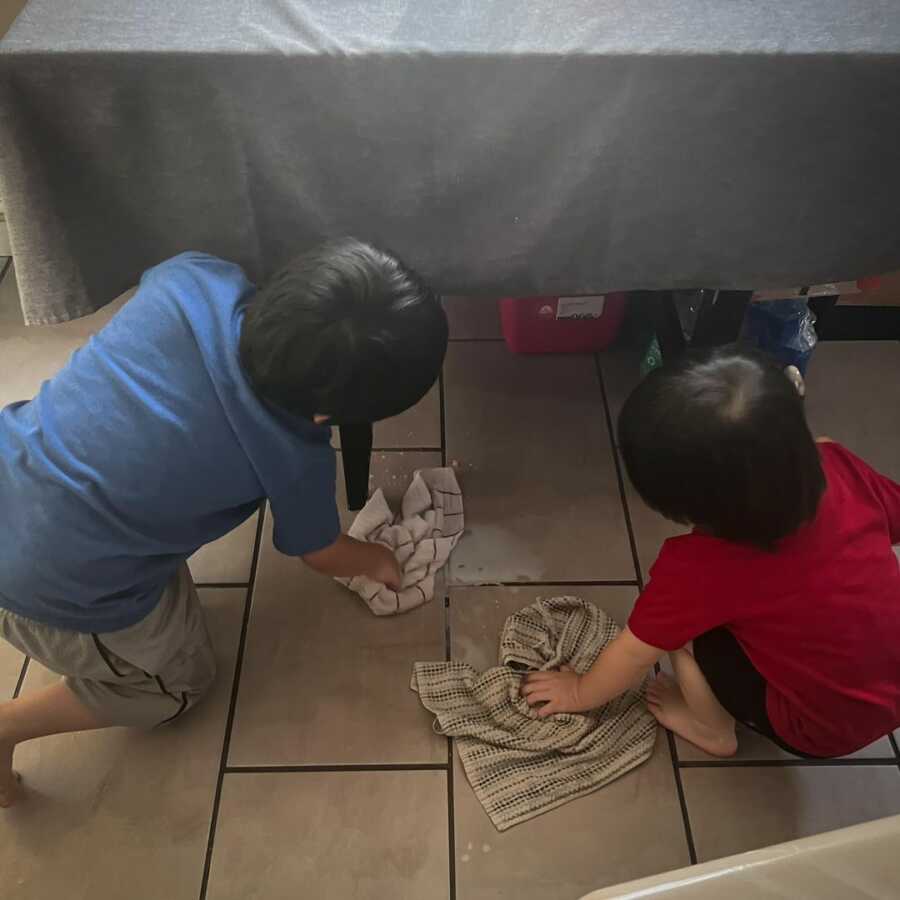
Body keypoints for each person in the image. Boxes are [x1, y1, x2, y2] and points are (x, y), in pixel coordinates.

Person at [0, 238, 448, 806]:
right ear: (324, 416)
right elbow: (320, 552)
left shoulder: (189, 280)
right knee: (174, 688)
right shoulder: (293, 455)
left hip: (12, 470)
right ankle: (9, 725)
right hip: (57, 584)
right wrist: (375, 560)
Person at [524, 346, 900, 759]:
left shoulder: (698, 570)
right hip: (888, 688)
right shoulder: (840, 465)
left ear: (675, 502)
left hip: (818, 730)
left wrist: (578, 692)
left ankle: (712, 729)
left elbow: (634, 651)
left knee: (684, 632)